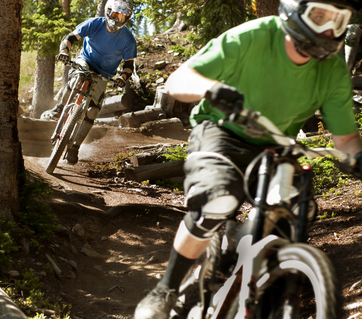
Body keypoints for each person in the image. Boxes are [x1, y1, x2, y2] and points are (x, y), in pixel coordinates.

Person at [134, 0, 362, 318]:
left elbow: (346, 139)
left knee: (294, 210)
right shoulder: (252, 36)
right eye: (320, 17)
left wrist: (356, 157)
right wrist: (212, 89)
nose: (328, 30)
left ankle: (262, 282)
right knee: (218, 200)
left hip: (277, 146)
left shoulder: (332, 68)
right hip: (222, 130)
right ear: (294, 10)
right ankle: (166, 290)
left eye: (338, 22)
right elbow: (178, 81)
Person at [42, 0, 137, 165]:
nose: (116, 20)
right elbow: (70, 37)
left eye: (121, 18)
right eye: (114, 15)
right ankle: (60, 107)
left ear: (126, 19)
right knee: (76, 77)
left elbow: (129, 65)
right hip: (86, 60)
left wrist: (123, 78)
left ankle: (75, 147)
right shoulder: (95, 23)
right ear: (108, 12)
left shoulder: (128, 39)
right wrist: (64, 51)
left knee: (92, 111)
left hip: (105, 73)